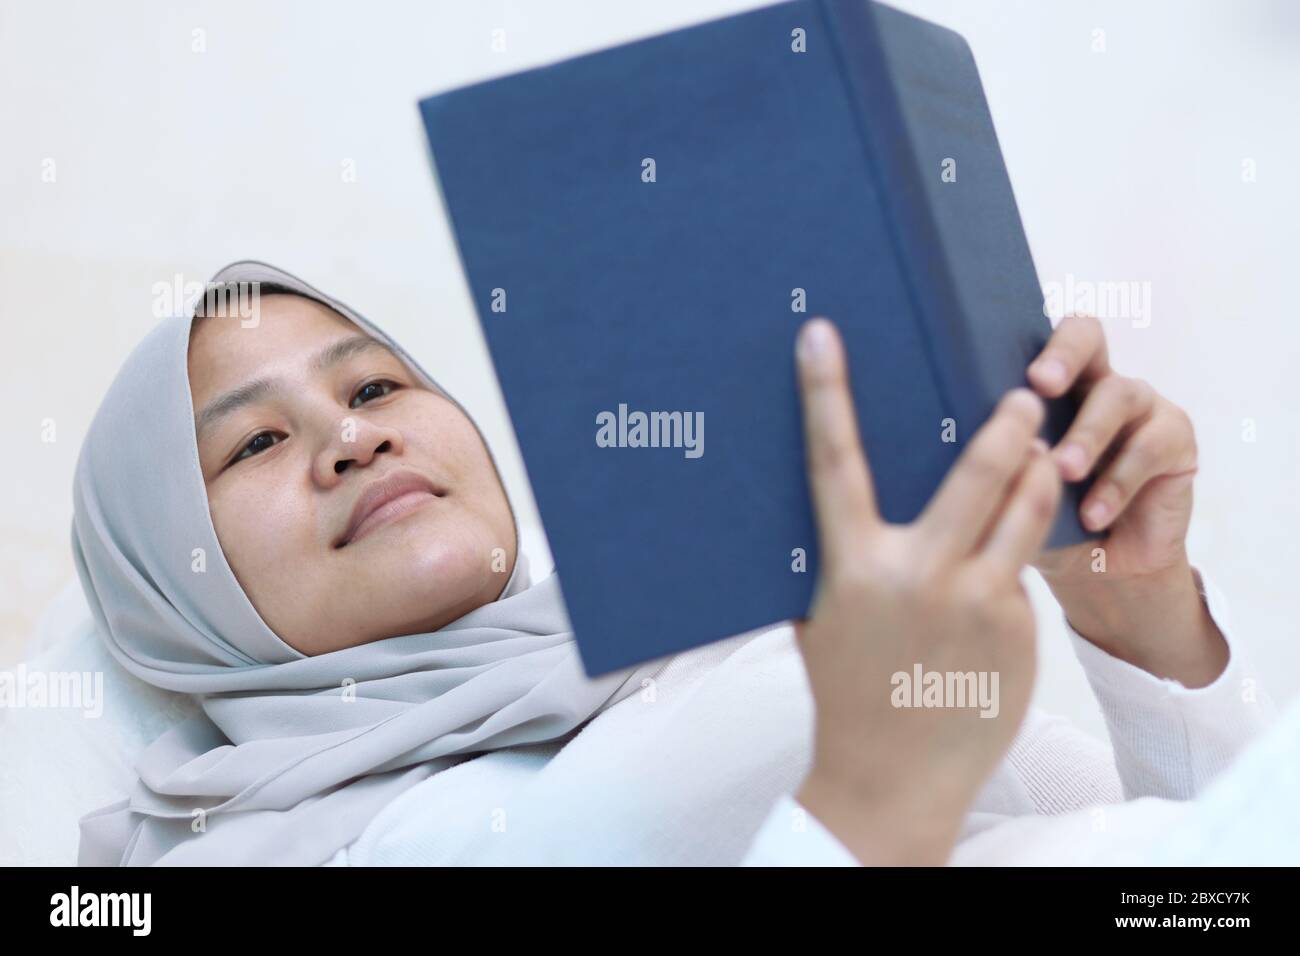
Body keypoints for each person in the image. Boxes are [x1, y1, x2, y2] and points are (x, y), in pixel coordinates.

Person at [71, 261, 1275, 866]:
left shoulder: (694, 629)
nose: (351, 435)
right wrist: (871, 792)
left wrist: (1135, 613)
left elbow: (1195, 880)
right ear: (171, 598)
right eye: (256, 440)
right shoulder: (313, 848)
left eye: (377, 383)